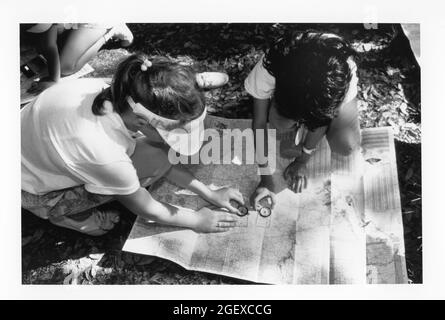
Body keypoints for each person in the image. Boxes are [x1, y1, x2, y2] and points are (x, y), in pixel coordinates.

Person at [21, 53, 244, 236]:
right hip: (30, 187)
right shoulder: (105, 153)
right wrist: (196, 219)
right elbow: (146, 207)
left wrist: (210, 194)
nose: (175, 144)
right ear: (142, 121)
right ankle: (63, 215)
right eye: (172, 134)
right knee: (154, 159)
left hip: (29, 147)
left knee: (159, 154)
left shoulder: (121, 89)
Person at [244, 31, 361, 208]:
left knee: (346, 146)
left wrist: (302, 160)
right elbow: (259, 123)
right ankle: (294, 124)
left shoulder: (341, 74)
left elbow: (320, 120)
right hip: (294, 86)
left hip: (328, 88)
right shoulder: (270, 68)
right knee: (279, 127)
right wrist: (266, 178)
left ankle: (310, 128)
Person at [21, 23, 134, 91]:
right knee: (42, 46)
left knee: (65, 67)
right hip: (74, 14)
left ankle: (110, 32)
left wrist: (53, 80)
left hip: (96, 17)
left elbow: (50, 47)